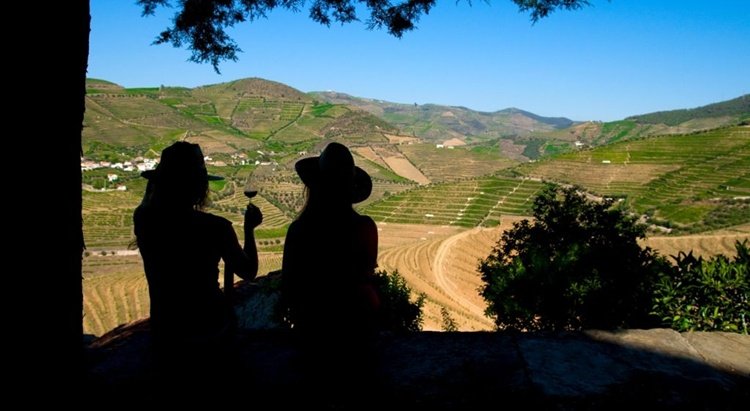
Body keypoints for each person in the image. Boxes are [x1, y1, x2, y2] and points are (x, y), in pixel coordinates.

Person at [133, 141, 262, 380]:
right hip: (209, 328)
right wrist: (249, 229)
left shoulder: (144, 220)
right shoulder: (215, 227)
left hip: (166, 330)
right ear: (198, 186)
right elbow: (248, 271)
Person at [281, 142, 380, 403]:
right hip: (356, 335)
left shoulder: (299, 230)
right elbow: (365, 278)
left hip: (313, 335)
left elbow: (289, 289)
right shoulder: (365, 227)